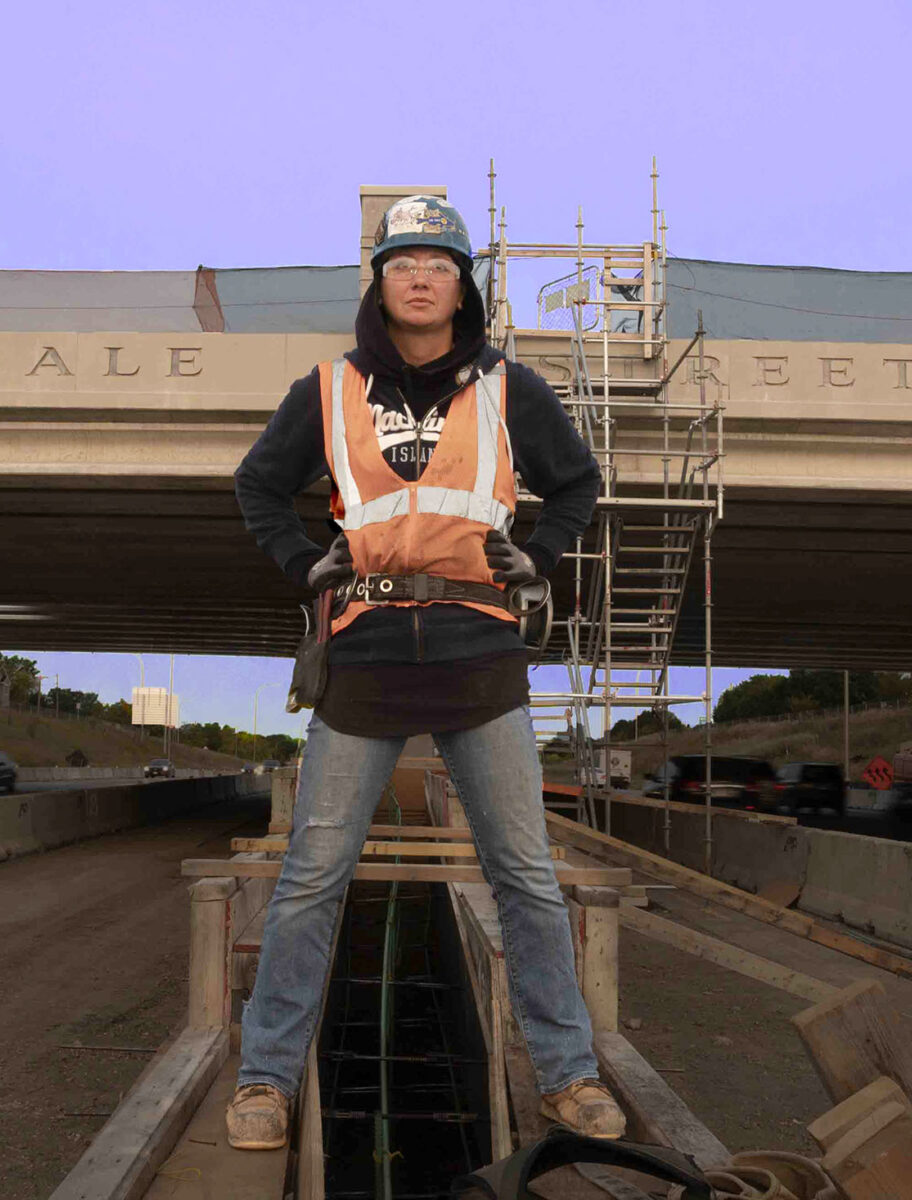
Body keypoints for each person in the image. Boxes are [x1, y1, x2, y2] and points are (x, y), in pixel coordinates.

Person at [227, 194, 623, 1151]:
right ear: (380, 282)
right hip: (361, 656)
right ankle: (267, 1080)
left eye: (438, 262)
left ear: (463, 287)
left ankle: (569, 1075)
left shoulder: (509, 389)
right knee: (312, 880)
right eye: (403, 260)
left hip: (479, 655)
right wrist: (300, 563)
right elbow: (257, 485)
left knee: (524, 875)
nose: (420, 276)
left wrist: (545, 551)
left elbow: (577, 482)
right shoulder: (324, 391)